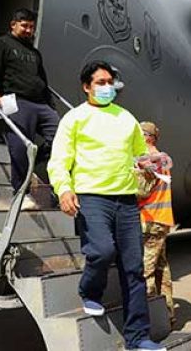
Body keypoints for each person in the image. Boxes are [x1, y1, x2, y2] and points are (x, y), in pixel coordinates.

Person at [47, 61, 164, 351]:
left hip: (125, 199)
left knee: (134, 269)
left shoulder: (126, 118)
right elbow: (59, 160)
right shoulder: (74, 119)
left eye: (109, 82)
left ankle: (138, 338)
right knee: (100, 251)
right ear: (86, 86)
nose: (106, 87)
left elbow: (140, 155)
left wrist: (155, 161)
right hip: (91, 197)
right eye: (100, 82)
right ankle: (89, 290)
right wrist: (64, 189)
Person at [0, 8, 59, 199]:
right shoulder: (2, 43)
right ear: (13, 24)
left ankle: (35, 162)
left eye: (31, 27)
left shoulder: (34, 53)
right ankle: (21, 192)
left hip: (40, 104)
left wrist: (50, 104)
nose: (28, 30)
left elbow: (42, 80)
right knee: (19, 148)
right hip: (16, 101)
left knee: (60, 136)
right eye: (24, 26)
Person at [136, 121, 175, 325]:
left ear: (146, 137)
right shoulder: (162, 158)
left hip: (150, 220)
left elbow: (141, 191)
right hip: (161, 219)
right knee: (161, 267)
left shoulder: (148, 159)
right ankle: (167, 313)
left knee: (145, 271)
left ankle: (149, 320)